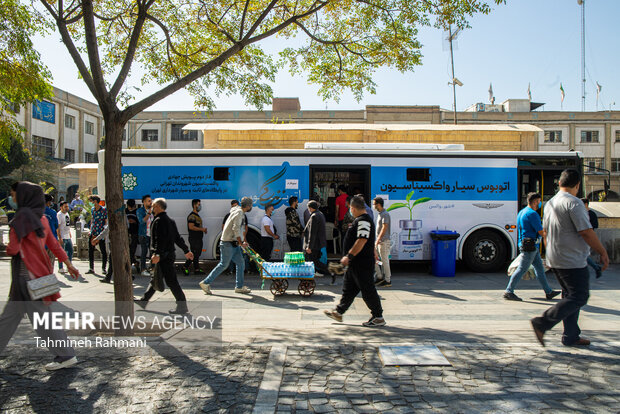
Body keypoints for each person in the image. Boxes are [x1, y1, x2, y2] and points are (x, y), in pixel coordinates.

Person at [0, 181, 81, 371]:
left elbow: (13, 248)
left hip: (26, 277)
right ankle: (66, 354)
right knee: (13, 317)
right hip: (41, 275)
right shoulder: (42, 219)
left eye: (14, 195)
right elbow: (54, 244)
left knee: (39, 319)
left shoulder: (21, 219)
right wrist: (69, 264)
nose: (12, 199)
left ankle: (66, 355)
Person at [530, 169, 609, 347]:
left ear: (559, 183)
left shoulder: (550, 203)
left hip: (555, 256)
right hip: (571, 258)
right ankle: (542, 322)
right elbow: (586, 232)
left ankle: (571, 335)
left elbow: (545, 232)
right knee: (580, 296)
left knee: (570, 295)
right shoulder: (574, 203)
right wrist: (602, 251)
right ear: (577, 185)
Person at [324, 195, 385, 327]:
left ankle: (378, 316)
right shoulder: (361, 220)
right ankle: (339, 312)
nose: (350, 211)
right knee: (349, 289)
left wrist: (349, 256)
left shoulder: (363, 221)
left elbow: (362, 240)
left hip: (361, 262)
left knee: (367, 289)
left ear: (352, 208)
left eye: (350, 209)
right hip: (355, 264)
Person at [136, 198, 194, 314]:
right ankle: (144, 300)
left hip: (163, 256)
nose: (152, 208)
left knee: (171, 281)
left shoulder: (159, 221)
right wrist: (186, 250)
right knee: (156, 277)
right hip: (168, 255)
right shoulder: (169, 220)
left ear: (158, 207)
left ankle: (182, 306)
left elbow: (159, 240)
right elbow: (177, 238)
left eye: (153, 206)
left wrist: (157, 254)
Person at [504, 192, 560, 301]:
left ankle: (548, 292)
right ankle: (509, 291)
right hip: (530, 246)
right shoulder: (532, 214)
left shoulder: (522, 212)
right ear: (535, 202)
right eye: (539, 201)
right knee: (522, 268)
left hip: (527, 244)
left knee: (539, 269)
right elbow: (541, 232)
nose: (539, 204)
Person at [199, 197, 253, 295]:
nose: (252, 207)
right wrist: (241, 243)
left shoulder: (238, 211)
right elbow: (236, 228)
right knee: (224, 264)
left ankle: (239, 287)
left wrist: (242, 241)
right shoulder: (239, 213)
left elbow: (239, 230)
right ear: (248, 206)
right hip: (228, 243)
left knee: (241, 263)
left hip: (233, 243)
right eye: (251, 205)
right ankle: (205, 282)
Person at [303, 200, 331, 280]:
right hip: (318, 243)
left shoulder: (314, 216)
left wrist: (309, 246)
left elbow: (312, 233)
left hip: (314, 244)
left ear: (310, 208)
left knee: (314, 261)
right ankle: (317, 271)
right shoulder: (320, 214)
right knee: (314, 261)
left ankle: (330, 270)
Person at [184, 199, 207, 275]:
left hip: (198, 238)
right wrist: (202, 229)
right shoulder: (192, 216)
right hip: (194, 238)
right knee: (194, 253)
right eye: (198, 204)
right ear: (194, 205)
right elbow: (191, 227)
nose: (200, 206)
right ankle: (185, 266)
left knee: (197, 254)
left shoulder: (197, 216)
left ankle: (196, 269)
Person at [373, 197, 392, 287]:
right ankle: (380, 276)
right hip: (380, 241)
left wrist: (378, 240)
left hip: (383, 242)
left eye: (374, 204)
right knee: (376, 260)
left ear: (378, 204)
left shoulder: (385, 214)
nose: (373, 206)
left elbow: (384, 228)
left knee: (384, 261)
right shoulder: (381, 214)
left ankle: (388, 280)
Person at [581, 198, 603, 279]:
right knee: (583, 255)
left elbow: (593, 228)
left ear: (586, 204)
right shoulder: (581, 214)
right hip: (582, 237)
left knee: (583, 255)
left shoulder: (591, 214)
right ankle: (596, 267)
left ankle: (596, 268)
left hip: (587, 237)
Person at [86, 195, 108, 275]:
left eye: (91, 201)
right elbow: (92, 220)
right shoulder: (92, 209)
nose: (91, 203)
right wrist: (90, 230)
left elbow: (105, 221)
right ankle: (91, 268)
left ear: (95, 201)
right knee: (90, 251)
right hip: (93, 231)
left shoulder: (103, 210)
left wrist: (104, 233)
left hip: (100, 232)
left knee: (103, 251)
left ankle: (104, 268)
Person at [136, 194, 153, 276]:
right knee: (144, 252)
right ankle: (143, 269)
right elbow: (142, 221)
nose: (151, 202)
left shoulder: (153, 211)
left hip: (151, 235)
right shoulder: (140, 211)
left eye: (151, 201)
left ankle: (152, 268)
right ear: (144, 202)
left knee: (152, 252)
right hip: (143, 234)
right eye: (149, 201)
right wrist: (149, 214)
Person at [56, 201, 73, 274]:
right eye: (65, 207)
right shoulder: (59, 215)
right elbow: (58, 227)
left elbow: (67, 224)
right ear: (61, 207)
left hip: (67, 235)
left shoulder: (67, 214)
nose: (67, 208)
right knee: (61, 252)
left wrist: (69, 233)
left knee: (70, 250)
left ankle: (69, 266)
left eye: (67, 206)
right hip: (62, 236)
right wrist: (59, 237)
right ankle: (60, 268)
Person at [126, 199, 140, 269]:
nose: (130, 208)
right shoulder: (125, 211)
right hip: (126, 232)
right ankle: (135, 262)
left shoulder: (137, 211)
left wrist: (134, 221)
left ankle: (129, 266)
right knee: (127, 249)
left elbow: (140, 221)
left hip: (135, 232)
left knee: (132, 249)